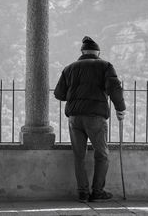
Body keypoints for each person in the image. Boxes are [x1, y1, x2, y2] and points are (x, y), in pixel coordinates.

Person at [54, 36, 126, 203]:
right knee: (102, 154)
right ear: (98, 52)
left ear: (82, 52)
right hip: (95, 117)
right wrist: (120, 109)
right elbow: (114, 88)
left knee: (79, 156)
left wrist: (76, 95)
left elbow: (59, 94)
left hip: (74, 118)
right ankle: (98, 191)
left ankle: (83, 193)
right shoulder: (105, 66)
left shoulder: (69, 68)